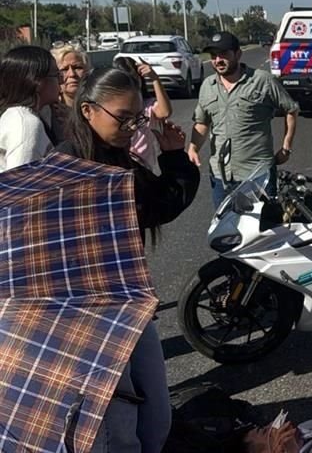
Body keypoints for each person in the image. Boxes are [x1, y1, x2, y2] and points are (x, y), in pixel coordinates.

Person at [57, 67, 200, 453]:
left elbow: (159, 205)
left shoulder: (119, 161)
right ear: (88, 110)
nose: (134, 126)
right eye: (124, 117)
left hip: (130, 305)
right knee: (116, 425)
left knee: (155, 413)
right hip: (89, 317)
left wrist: (174, 159)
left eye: (138, 117)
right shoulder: (65, 168)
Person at [188, 31, 300, 208]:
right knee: (225, 230)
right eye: (214, 56)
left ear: (238, 54)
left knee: (262, 232)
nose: (218, 60)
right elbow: (202, 122)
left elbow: (291, 109)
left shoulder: (262, 80)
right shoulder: (207, 86)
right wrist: (193, 147)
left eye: (224, 54)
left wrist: (286, 147)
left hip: (257, 174)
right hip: (221, 176)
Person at [0, 45, 60, 171]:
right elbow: (20, 184)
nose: (62, 80)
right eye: (56, 75)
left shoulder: (16, 116)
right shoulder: (26, 125)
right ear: (37, 82)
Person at [114, 56, 173, 175]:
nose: (131, 87)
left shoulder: (147, 105)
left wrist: (155, 79)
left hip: (143, 168)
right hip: (119, 167)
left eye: (134, 80)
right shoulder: (111, 108)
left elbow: (165, 112)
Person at [50, 43, 90, 141]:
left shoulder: (98, 107)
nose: (71, 74)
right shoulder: (50, 114)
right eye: (64, 69)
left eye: (77, 68)